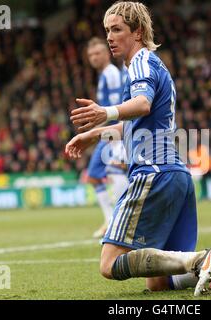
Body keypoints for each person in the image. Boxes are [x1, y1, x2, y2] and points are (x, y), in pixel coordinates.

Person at [66, 1, 211, 296]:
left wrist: (106, 112)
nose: (110, 37)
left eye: (117, 29)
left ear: (137, 32)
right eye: (107, 31)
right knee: (159, 280)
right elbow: (139, 120)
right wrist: (98, 134)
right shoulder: (154, 65)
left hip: (153, 172)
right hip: (175, 174)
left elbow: (142, 105)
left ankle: (202, 260)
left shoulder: (140, 62)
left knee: (109, 264)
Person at [85, 37, 129, 238]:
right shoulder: (105, 75)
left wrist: (96, 132)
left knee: (115, 170)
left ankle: (118, 221)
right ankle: (112, 220)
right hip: (110, 131)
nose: (94, 58)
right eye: (90, 55)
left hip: (114, 131)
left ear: (106, 54)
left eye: (97, 53)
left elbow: (114, 108)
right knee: (95, 175)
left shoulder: (111, 74)